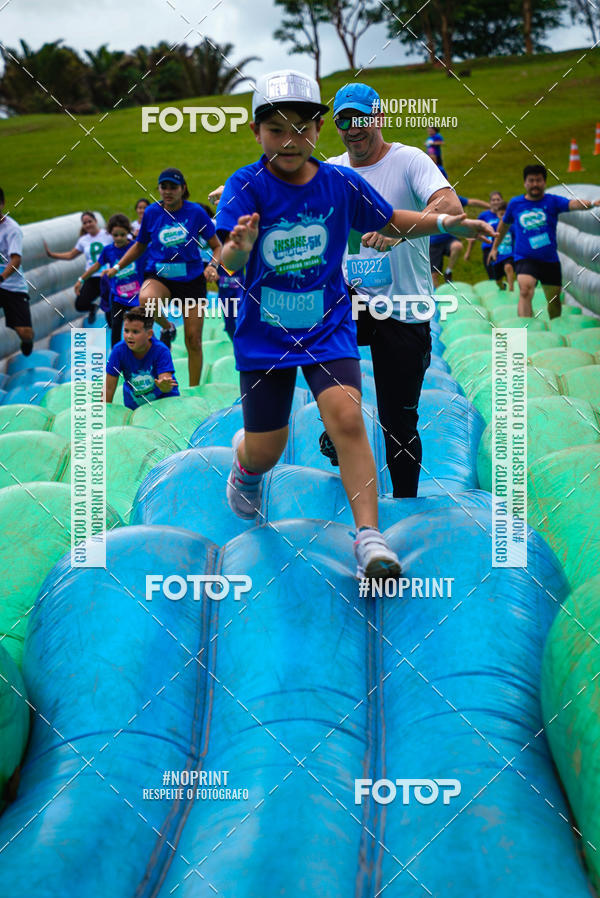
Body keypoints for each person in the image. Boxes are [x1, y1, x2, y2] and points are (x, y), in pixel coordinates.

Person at [216, 69, 495, 580]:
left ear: (317, 130)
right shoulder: (247, 185)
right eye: (276, 130)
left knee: (353, 418)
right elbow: (226, 262)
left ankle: (370, 536)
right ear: (256, 133)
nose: (289, 141)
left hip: (335, 322)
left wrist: (446, 222)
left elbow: (392, 219)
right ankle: (247, 464)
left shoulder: (346, 180)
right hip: (268, 332)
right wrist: (238, 246)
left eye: (301, 129)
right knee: (267, 447)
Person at [105, 168, 222, 386]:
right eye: (163, 187)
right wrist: (117, 266)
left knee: (193, 340)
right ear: (159, 189)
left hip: (191, 279)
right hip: (160, 275)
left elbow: (217, 246)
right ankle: (168, 326)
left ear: (183, 189)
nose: (168, 191)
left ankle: (194, 389)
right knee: (146, 299)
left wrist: (213, 266)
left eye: (173, 187)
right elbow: (139, 245)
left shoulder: (196, 212)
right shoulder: (152, 212)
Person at [489, 164, 600, 318]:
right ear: (525, 183)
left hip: (549, 260)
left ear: (544, 182)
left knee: (554, 300)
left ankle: (555, 324)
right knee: (525, 291)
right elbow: (504, 225)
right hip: (525, 258)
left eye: (538, 180)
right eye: (531, 180)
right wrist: (495, 247)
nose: (535, 184)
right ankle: (526, 326)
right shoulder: (516, 203)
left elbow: (572, 204)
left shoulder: (552, 201)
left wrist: (591, 204)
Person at [78, 214, 145, 346]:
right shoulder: (108, 250)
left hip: (136, 296)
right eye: (115, 235)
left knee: (140, 325)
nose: (119, 238)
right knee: (115, 326)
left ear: (128, 232)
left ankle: (143, 349)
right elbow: (96, 266)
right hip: (118, 297)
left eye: (122, 235)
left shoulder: (136, 248)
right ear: (110, 234)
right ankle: (116, 353)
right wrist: (81, 279)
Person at [45, 211, 112, 324]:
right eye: (85, 223)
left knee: (109, 309)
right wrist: (52, 255)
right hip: (91, 277)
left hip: (106, 276)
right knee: (80, 304)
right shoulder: (83, 240)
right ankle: (93, 308)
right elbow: (71, 255)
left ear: (96, 221)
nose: (88, 225)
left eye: (90, 221)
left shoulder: (107, 235)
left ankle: (113, 329)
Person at [104, 308, 179, 410]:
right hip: (136, 405)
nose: (129, 336)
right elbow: (109, 388)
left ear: (149, 334)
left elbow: (165, 379)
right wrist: (105, 413)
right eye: (126, 331)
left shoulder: (161, 350)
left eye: (135, 332)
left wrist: (164, 386)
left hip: (164, 401)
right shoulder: (118, 351)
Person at [0, 187, 34, 356]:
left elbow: (15, 260)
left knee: (24, 332)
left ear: (2, 204)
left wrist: (2, 278)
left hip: (12, 285)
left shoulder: (12, 229)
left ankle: (27, 341)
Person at [430, 194, 490, 286]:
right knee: (434, 276)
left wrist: (490, 207)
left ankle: (448, 272)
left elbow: (471, 202)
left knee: (457, 246)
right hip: (433, 242)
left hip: (448, 238)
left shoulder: (450, 196)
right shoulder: (428, 199)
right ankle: (436, 294)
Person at [463, 190, 503, 278]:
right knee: (493, 277)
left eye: (498, 200)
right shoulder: (484, 215)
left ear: (502, 201)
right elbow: (475, 234)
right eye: (493, 200)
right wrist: (468, 253)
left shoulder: (506, 215)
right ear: (490, 202)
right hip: (488, 248)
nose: (496, 202)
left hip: (504, 248)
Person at [489, 201, 515, 291]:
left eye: (505, 215)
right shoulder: (493, 226)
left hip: (509, 254)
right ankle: (502, 286)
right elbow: (488, 237)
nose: (503, 217)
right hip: (497, 255)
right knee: (498, 281)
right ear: (497, 214)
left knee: (508, 267)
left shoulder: (511, 226)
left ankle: (511, 288)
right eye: (501, 215)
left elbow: (518, 236)